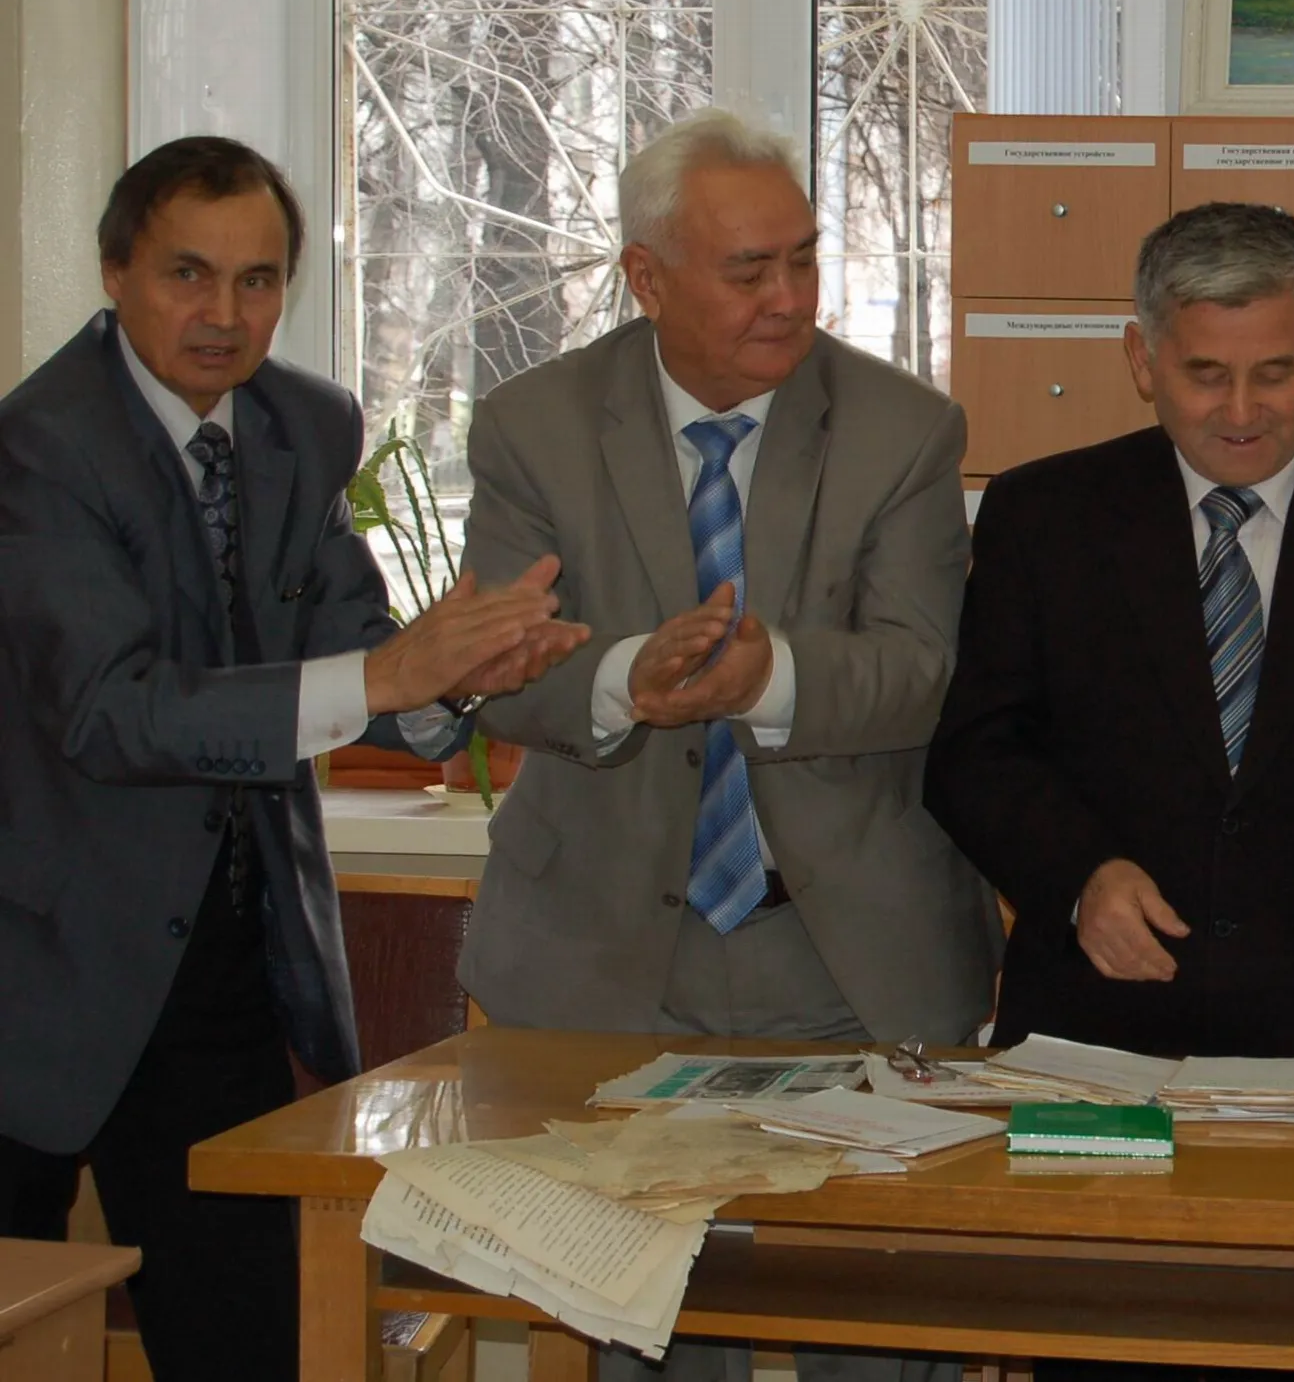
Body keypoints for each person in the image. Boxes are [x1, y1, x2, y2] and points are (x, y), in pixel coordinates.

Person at [0, 137, 585, 1381]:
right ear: (114, 272)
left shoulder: (304, 425)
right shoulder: (41, 444)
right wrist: (387, 677)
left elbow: (351, 652)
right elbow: (111, 714)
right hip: (36, 968)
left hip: (222, 962)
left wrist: (456, 679)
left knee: (252, 1340)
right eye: (188, 275)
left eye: (258, 281)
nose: (225, 315)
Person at [455, 108, 1000, 1382]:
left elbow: (925, 669)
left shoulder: (902, 430)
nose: (788, 297)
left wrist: (771, 678)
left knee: (875, 1340)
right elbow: (492, 671)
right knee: (648, 1340)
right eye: (749, 270)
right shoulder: (533, 428)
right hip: (603, 968)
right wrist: (620, 681)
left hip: (846, 964)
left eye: (803, 259)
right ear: (645, 279)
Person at [927, 202, 1294, 1065]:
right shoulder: (1044, 519)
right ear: (1142, 359)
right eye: (1205, 374)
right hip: (1091, 1025)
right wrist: (1079, 877)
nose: (1241, 410)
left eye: (1275, 372)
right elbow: (975, 756)